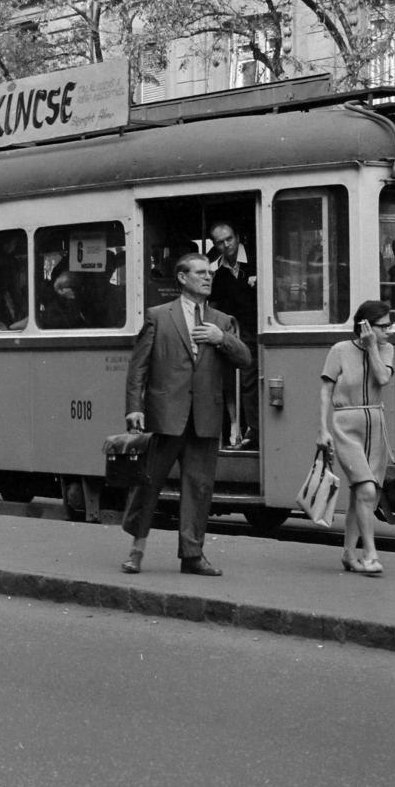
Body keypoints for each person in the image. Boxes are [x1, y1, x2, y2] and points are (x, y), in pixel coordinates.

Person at [120, 251, 253, 577]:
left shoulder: (221, 321)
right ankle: (136, 550)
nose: (208, 277)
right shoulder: (159, 316)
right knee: (148, 484)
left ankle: (192, 554)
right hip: (165, 415)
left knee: (199, 487)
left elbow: (245, 359)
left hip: (205, 417)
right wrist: (134, 408)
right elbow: (138, 368)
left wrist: (222, 339)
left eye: (209, 273)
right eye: (200, 273)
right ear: (182, 278)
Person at [320, 300, 395, 575]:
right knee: (365, 490)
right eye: (383, 326)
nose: (389, 330)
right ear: (364, 326)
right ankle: (370, 555)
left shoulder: (386, 349)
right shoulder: (340, 350)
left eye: (390, 325)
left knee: (364, 495)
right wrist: (323, 429)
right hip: (346, 425)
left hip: (375, 424)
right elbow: (326, 391)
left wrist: (374, 346)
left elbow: (382, 378)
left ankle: (348, 554)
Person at [208, 223, 259, 448]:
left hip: (254, 330)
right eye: (220, 242)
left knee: (249, 379)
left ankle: (253, 431)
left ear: (238, 237)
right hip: (231, 332)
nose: (226, 245)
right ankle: (238, 428)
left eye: (229, 239)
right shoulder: (217, 273)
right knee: (231, 380)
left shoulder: (258, 259)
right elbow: (215, 305)